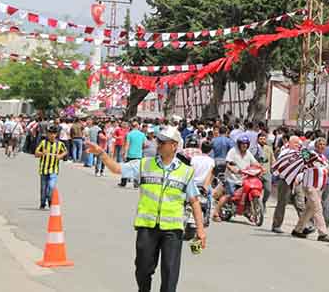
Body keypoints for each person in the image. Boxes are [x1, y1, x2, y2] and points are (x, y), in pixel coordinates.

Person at [86, 127, 206, 292]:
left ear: (174, 145)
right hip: (147, 227)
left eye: (163, 142)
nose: (159, 144)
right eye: (159, 141)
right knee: (142, 269)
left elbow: (194, 201)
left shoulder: (186, 172)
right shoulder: (144, 164)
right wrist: (102, 154)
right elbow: (117, 169)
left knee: (170, 274)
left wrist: (200, 230)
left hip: (173, 230)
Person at [291, 148, 329, 242]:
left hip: (319, 188)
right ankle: (323, 233)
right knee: (318, 209)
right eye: (319, 144)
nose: (321, 146)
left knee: (309, 210)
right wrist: (315, 156)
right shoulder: (309, 156)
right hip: (311, 187)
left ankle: (297, 230)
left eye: (323, 145)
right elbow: (306, 156)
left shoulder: (322, 158)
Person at [214, 135, 260, 221]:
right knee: (229, 195)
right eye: (242, 144)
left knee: (248, 193)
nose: (244, 145)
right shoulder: (233, 151)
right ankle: (215, 213)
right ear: (239, 144)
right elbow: (227, 163)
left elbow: (255, 162)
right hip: (232, 179)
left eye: (246, 144)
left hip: (244, 179)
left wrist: (260, 167)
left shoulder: (248, 153)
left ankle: (247, 211)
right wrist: (232, 168)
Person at [271, 135, 307, 233]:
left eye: (299, 143)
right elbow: (281, 166)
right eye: (295, 143)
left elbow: (308, 163)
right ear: (290, 143)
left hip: (298, 182)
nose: (297, 145)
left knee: (300, 203)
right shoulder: (285, 152)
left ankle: (305, 226)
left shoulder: (303, 152)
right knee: (282, 203)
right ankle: (276, 225)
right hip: (285, 181)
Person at [34, 125, 68, 209]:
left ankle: (50, 200)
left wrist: (60, 156)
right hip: (43, 169)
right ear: (47, 134)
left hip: (53, 169)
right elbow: (36, 153)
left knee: (51, 186)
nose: (52, 135)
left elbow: (65, 151)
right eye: (50, 133)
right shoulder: (43, 143)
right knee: (43, 188)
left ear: (56, 134)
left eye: (54, 133)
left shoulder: (60, 144)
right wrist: (42, 153)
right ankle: (42, 203)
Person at [119, 121, 146, 188]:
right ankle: (136, 183)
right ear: (138, 126)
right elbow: (144, 144)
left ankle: (123, 182)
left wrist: (125, 154)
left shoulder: (129, 134)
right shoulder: (142, 134)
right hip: (138, 154)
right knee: (137, 169)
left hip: (130, 154)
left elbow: (127, 145)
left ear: (131, 126)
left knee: (126, 168)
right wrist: (140, 148)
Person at [256, 132, 275, 208]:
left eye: (264, 139)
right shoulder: (254, 148)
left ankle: (263, 202)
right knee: (257, 191)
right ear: (257, 139)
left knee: (268, 190)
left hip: (267, 172)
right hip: (257, 173)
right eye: (261, 139)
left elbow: (272, 159)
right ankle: (257, 205)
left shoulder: (268, 148)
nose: (262, 140)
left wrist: (274, 167)